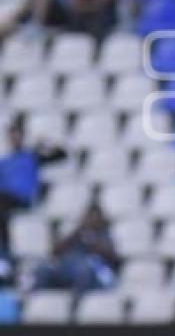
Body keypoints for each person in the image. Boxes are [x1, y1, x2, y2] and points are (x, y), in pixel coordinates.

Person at [0, 116, 66, 250]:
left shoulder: (32, 157)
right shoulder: (5, 161)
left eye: (17, 134)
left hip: (23, 199)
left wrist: (45, 143)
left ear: (23, 136)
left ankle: (6, 249)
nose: (15, 138)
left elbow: (61, 155)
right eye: (12, 135)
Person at [33, 204, 118, 295]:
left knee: (84, 270)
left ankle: (76, 306)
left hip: (91, 275)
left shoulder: (104, 235)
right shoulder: (77, 234)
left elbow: (113, 258)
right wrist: (76, 234)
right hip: (67, 271)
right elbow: (55, 252)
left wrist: (93, 243)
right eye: (89, 217)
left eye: (95, 217)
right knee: (42, 271)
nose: (91, 220)